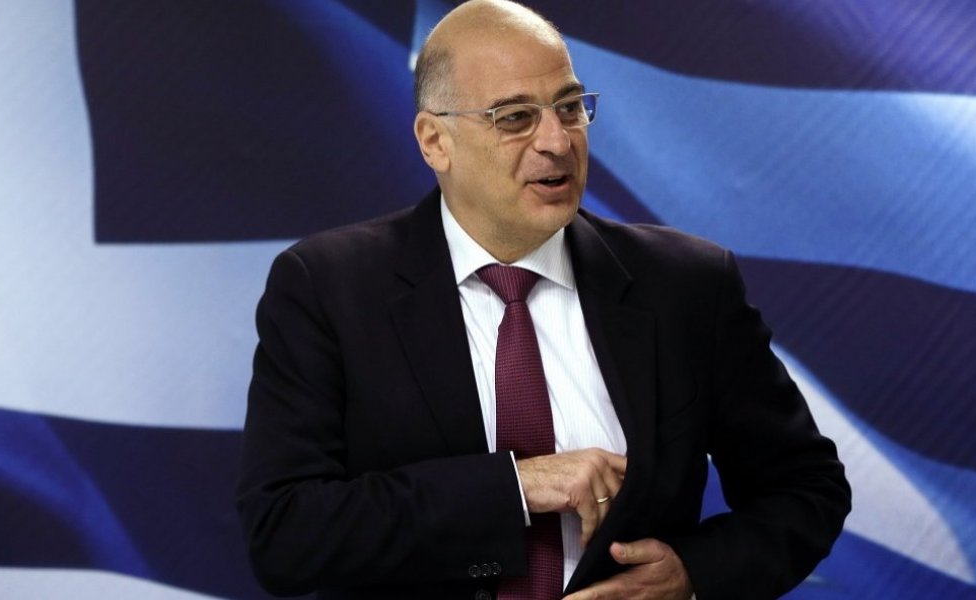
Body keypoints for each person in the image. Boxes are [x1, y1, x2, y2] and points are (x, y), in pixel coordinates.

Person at [236, 1, 850, 598]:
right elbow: (286, 532)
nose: (557, 140)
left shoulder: (685, 285)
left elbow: (805, 488)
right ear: (435, 141)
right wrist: (517, 488)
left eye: (570, 107)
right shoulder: (328, 288)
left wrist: (691, 576)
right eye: (515, 117)